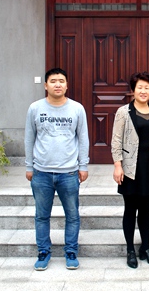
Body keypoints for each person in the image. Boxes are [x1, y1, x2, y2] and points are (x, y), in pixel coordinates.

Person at [24, 67, 90, 271]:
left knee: (72, 215)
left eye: (61, 81)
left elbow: (83, 138)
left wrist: (83, 165)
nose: (57, 84)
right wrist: (29, 166)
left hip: (68, 172)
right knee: (41, 216)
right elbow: (29, 138)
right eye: (53, 81)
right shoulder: (35, 108)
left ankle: (71, 252)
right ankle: (43, 252)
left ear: (67, 85)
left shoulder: (77, 108)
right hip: (41, 172)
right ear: (46, 85)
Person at [111, 72, 149, 269]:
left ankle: (146, 248)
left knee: (145, 210)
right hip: (130, 168)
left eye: (147, 88)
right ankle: (130, 250)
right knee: (130, 209)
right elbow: (116, 140)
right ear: (133, 90)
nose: (143, 91)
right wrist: (117, 165)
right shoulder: (123, 112)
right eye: (139, 87)